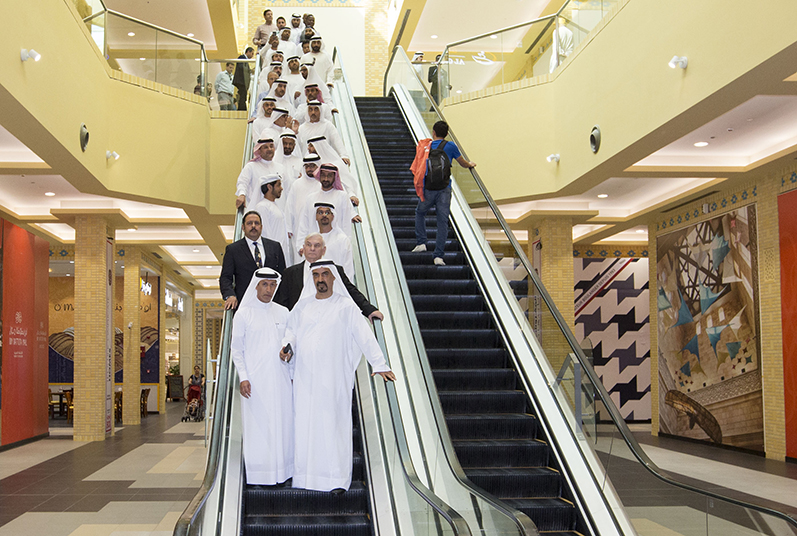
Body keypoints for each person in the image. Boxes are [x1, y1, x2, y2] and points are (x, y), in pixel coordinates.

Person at [280, 260, 395, 493]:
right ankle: (305, 478)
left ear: (334, 278)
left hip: (334, 379)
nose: (320, 279)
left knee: (334, 426)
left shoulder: (346, 307)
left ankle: (337, 479)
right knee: (306, 426)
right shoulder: (302, 307)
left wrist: (379, 363)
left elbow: (364, 335)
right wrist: (286, 347)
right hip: (305, 379)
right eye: (316, 275)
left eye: (325, 275)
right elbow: (290, 333)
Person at [231, 267, 293, 485]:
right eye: (265, 284)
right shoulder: (243, 314)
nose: (269, 289)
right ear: (256, 286)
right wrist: (243, 377)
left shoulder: (284, 312)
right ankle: (259, 474)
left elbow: (291, 340)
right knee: (258, 428)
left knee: (282, 425)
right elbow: (236, 350)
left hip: (281, 380)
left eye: (273, 285)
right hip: (255, 383)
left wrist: (288, 352)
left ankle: (283, 472)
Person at [274, 233, 381, 320]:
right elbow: (282, 302)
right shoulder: (290, 273)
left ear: (324, 250)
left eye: (316, 246)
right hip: (299, 325)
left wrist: (369, 310)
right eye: (308, 245)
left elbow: (351, 291)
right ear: (303, 248)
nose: (312, 248)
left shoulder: (334, 270)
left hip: (328, 323)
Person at [410, 121, 475, 266]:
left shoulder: (426, 146)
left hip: (428, 188)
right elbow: (462, 163)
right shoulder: (450, 146)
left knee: (420, 212)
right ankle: (438, 256)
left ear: (433, 132)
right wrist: (470, 164)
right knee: (442, 221)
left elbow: (418, 166)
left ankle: (421, 242)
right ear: (446, 134)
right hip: (444, 189)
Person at [219, 211, 286, 309]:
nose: (253, 226)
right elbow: (225, 277)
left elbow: (282, 275)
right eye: (249, 223)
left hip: (272, 304)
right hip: (245, 305)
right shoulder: (233, 250)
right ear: (243, 227)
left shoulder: (275, 247)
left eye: (257, 223)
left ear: (261, 227)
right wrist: (230, 295)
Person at [295, 163, 358, 247]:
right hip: (314, 249)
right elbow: (304, 224)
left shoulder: (342, 196)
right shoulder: (311, 198)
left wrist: (346, 247)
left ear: (335, 177)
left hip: (335, 247)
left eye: (329, 176)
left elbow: (346, 225)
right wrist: (300, 246)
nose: (325, 179)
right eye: (323, 175)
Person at [253, 174, 292, 265]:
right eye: (278, 185)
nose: (281, 188)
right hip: (273, 258)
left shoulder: (275, 205)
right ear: (269, 187)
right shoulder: (262, 207)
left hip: (281, 255)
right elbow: (265, 234)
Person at [236, 137, 280, 210]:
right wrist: (242, 194)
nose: (269, 149)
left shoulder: (280, 167)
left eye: (271, 146)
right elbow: (242, 182)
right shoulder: (251, 166)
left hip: (277, 210)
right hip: (256, 210)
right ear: (259, 150)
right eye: (266, 147)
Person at [314, 203, 353, 278]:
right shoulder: (312, 241)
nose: (324, 215)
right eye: (320, 212)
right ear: (316, 216)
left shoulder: (342, 239)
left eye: (327, 213)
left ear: (332, 216)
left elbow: (348, 268)